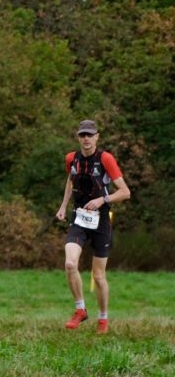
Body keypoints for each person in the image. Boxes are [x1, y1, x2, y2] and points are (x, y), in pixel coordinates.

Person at [54, 120, 131, 334]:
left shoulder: (105, 158)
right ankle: (80, 310)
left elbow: (125, 192)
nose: (86, 139)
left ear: (97, 136)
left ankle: (103, 318)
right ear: (78, 137)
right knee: (70, 264)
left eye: (90, 135)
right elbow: (70, 181)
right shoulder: (71, 158)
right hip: (79, 218)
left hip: (101, 221)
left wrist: (102, 200)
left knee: (98, 276)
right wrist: (62, 207)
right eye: (82, 135)